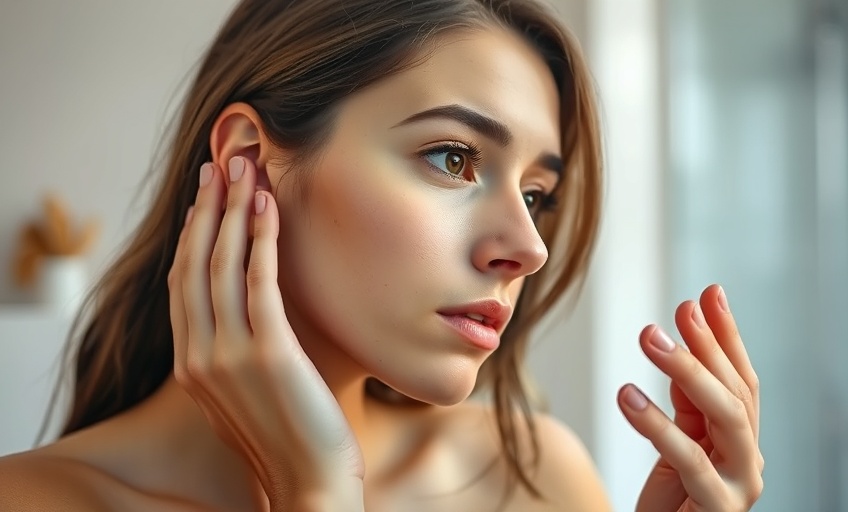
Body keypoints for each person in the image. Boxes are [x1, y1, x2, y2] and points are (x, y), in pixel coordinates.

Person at [0, 0, 763, 510]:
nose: (528, 248)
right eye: (454, 159)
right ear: (247, 161)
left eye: (536, 194)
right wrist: (316, 493)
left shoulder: (532, 478)